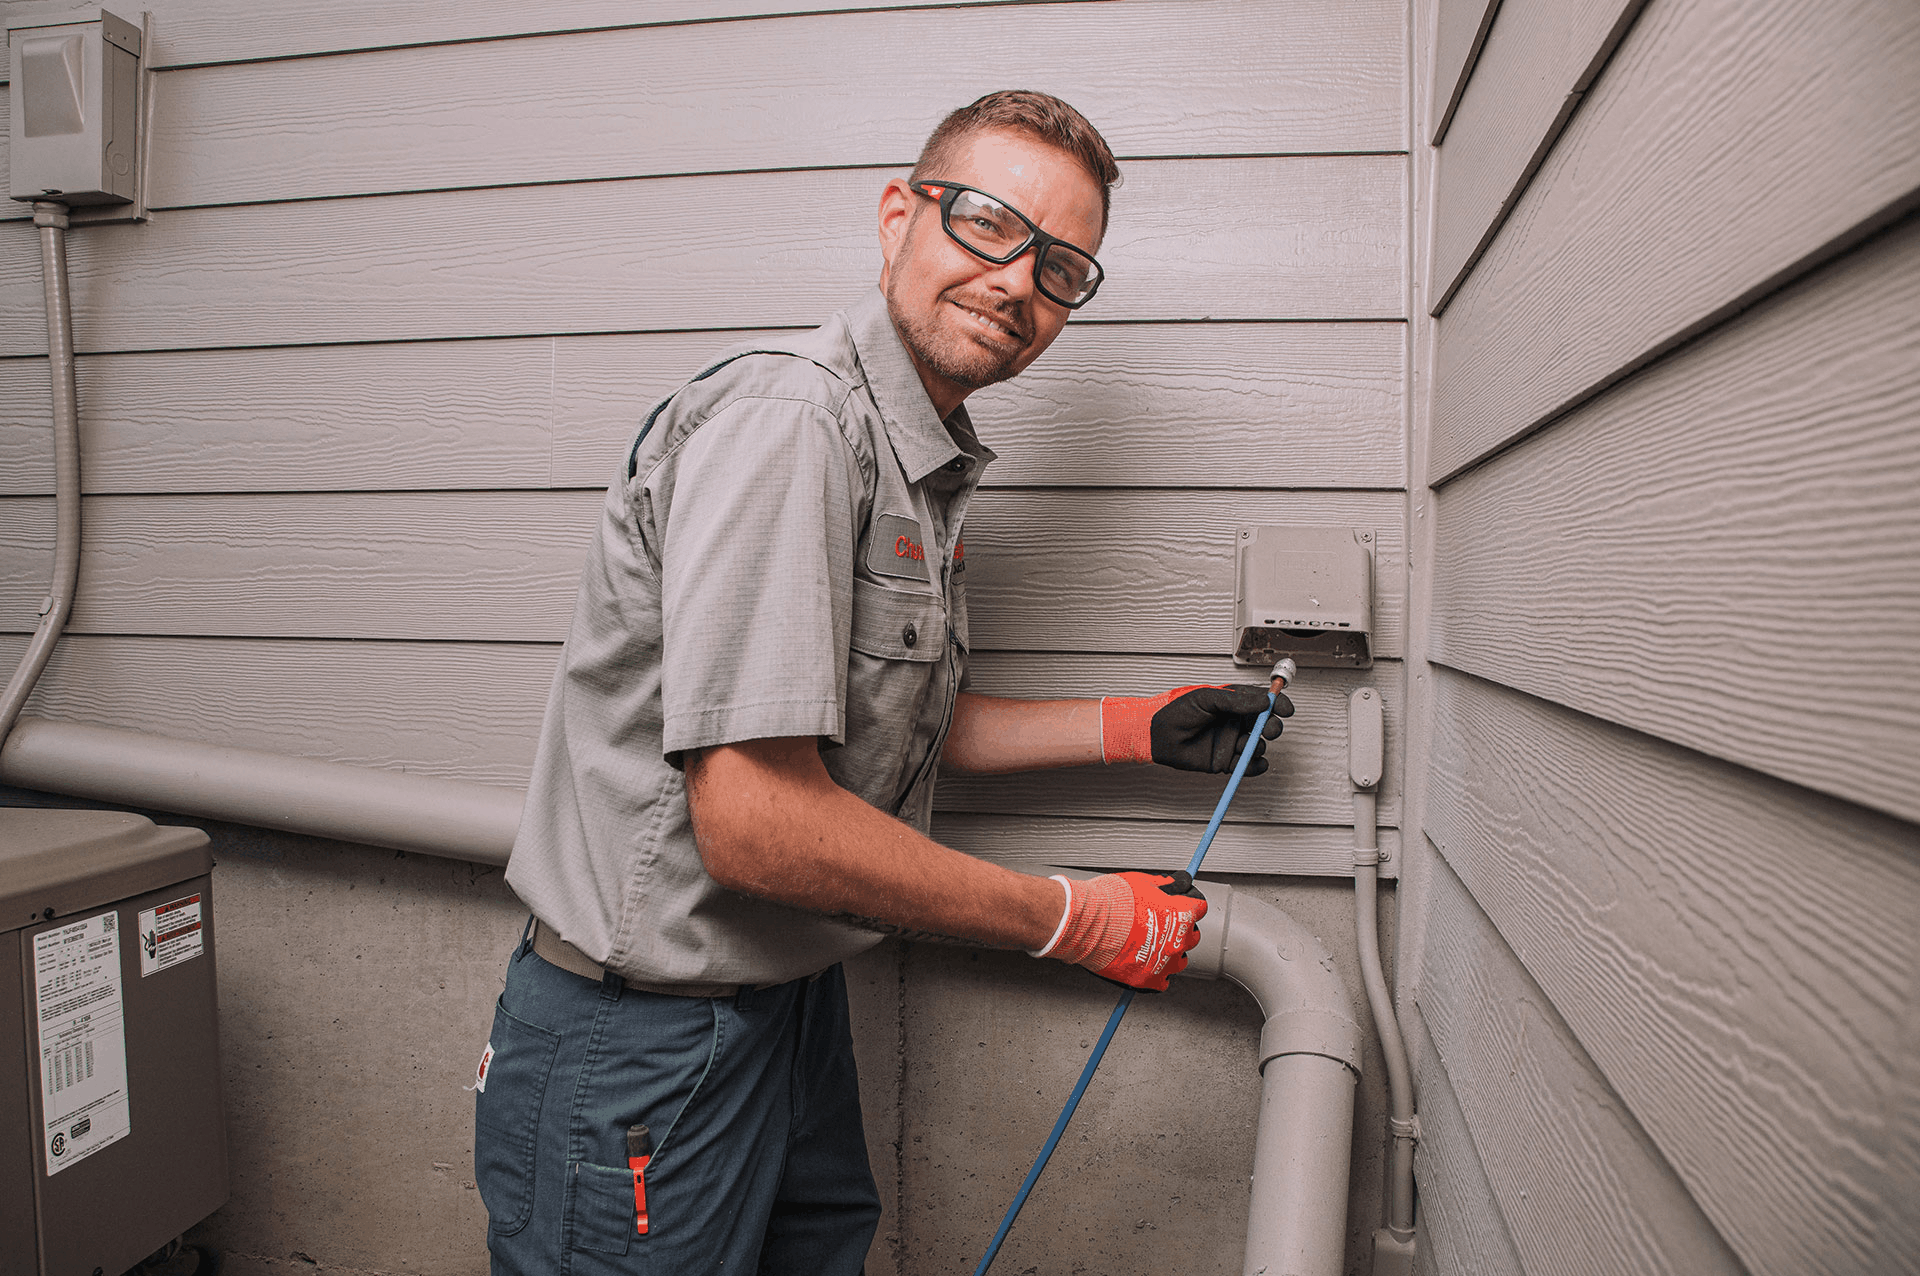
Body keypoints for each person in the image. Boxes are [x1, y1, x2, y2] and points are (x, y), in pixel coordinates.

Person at [473, 89, 1292, 1275]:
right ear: (898, 215)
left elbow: (882, 727)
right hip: (643, 1032)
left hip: (778, 1005)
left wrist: (1133, 728)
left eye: (1063, 266)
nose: (1018, 282)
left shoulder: (917, 460)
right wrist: (1080, 919)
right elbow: (758, 820)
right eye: (988, 225)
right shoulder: (792, 423)